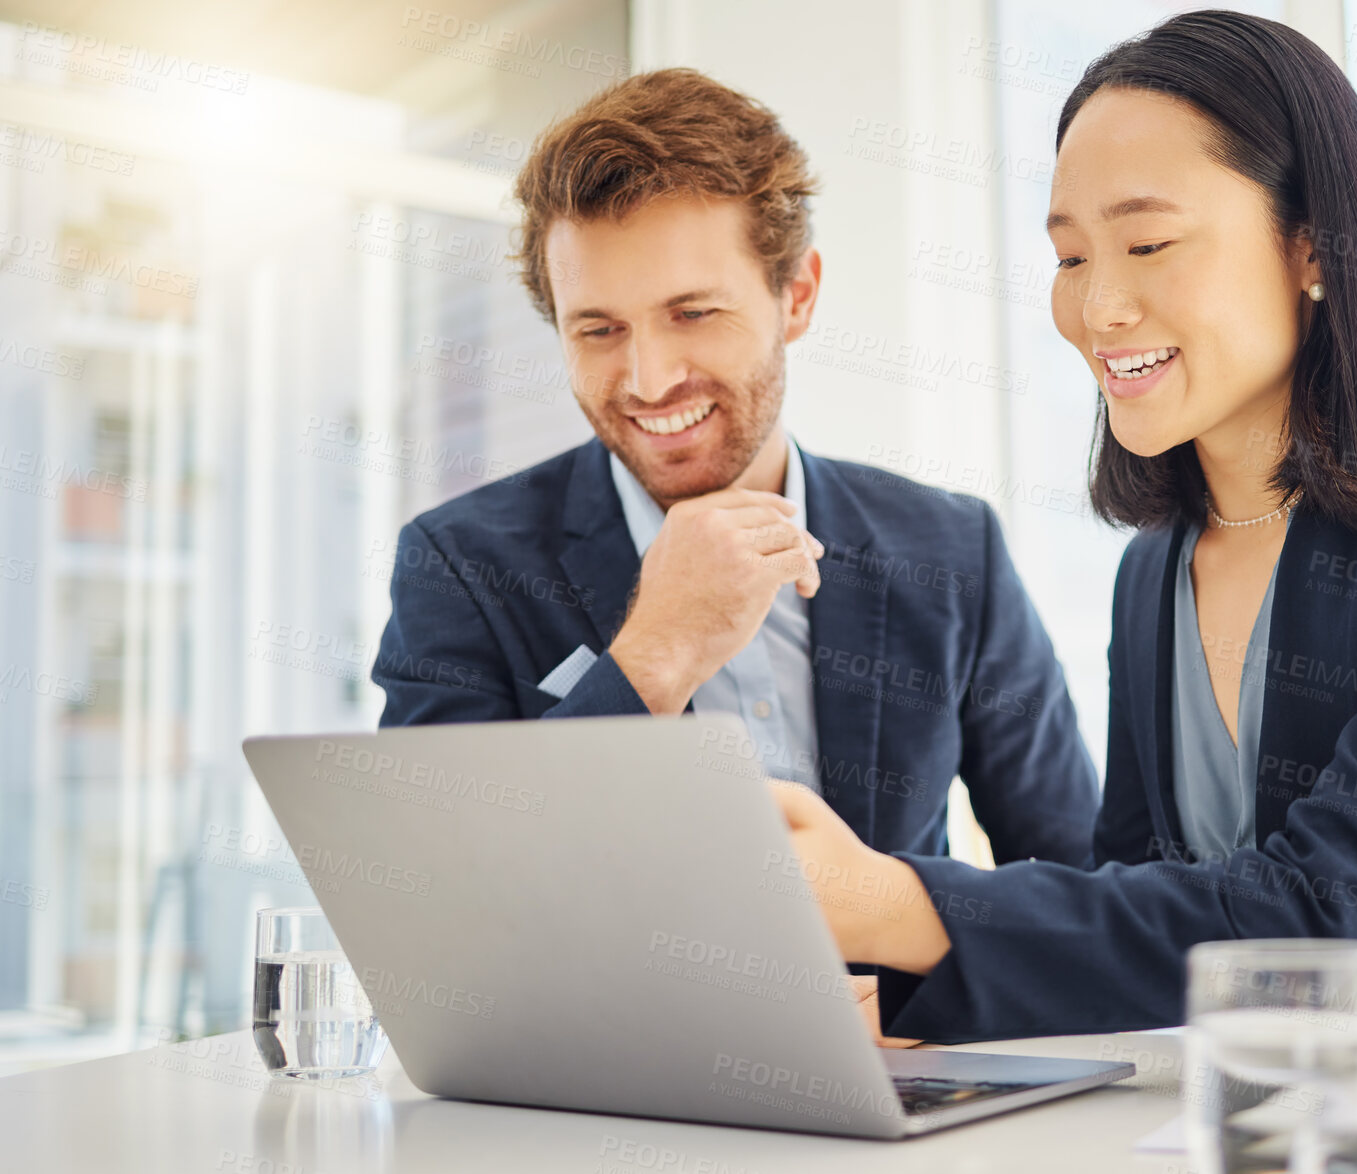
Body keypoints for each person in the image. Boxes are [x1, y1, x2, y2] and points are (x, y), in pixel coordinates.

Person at [771, 9, 1357, 1046]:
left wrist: (908, 907)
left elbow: (1327, 914)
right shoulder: (1155, 571)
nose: (1098, 307)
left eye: (1148, 242)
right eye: (1071, 257)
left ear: (1310, 248)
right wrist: (908, 997)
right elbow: (1134, 898)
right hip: (1278, 1113)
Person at [370, 68, 1099, 866]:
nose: (649, 380)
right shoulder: (462, 566)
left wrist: (926, 984)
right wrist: (653, 654)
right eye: (599, 330)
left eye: (692, 313)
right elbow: (437, 884)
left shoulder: (952, 550)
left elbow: (1072, 888)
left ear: (797, 296)